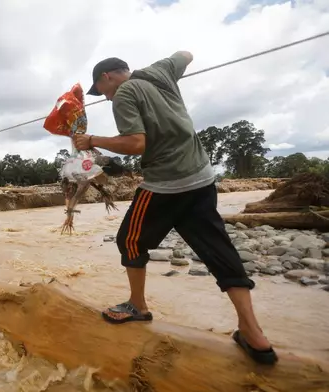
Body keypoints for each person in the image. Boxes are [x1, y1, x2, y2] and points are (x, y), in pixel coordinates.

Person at [75, 52, 277, 365]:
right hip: (202, 178)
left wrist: (91, 140)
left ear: (107, 78)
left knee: (129, 239)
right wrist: (172, 68)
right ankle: (253, 334)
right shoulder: (161, 70)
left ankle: (137, 307)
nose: (105, 96)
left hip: (165, 185)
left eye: (102, 91)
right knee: (219, 251)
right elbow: (186, 54)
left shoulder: (124, 94)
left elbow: (135, 144)